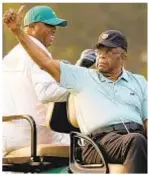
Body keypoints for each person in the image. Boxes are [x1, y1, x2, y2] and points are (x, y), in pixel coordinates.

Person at [3, 6, 147, 173]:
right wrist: (17, 32)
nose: (54, 29)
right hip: (38, 134)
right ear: (32, 27)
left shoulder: (138, 81)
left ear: (123, 56)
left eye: (109, 51)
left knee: (138, 141)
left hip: (10, 134)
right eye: (100, 50)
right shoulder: (85, 76)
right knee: (133, 142)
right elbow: (46, 85)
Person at [2, 5, 95, 156]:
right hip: (33, 135)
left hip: (7, 136)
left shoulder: (10, 56)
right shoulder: (36, 54)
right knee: (93, 146)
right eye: (49, 25)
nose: (54, 29)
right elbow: (46, 92)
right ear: (31, 27)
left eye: (55, 26)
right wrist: (83, 84)